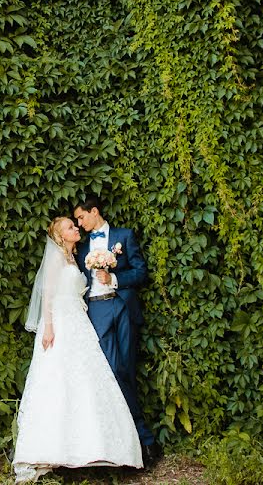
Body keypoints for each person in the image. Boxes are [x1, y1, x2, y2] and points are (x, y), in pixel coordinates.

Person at [12, 217, 142, 483]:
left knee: (87, 381)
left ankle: (92, 448)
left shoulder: (74, 258)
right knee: (57, 382)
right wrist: (48, 327)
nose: (76, 229)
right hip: (60, 324)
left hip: (79, 322)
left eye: (75, 224)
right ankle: (51, 448)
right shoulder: (57, 259)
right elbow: (47, 294)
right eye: (71, 227)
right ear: (61, 236)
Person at [73, 196, 161, 466]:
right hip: (97, 312)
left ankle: (135, 444)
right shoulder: (81, 246)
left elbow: (141, 272)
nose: (79, 223)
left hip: (122, 307)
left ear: (94, 211)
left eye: (81, 217)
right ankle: (144, 440)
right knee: (112, 373)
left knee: (126, 370)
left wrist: (116, 279)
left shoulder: (125, 236)